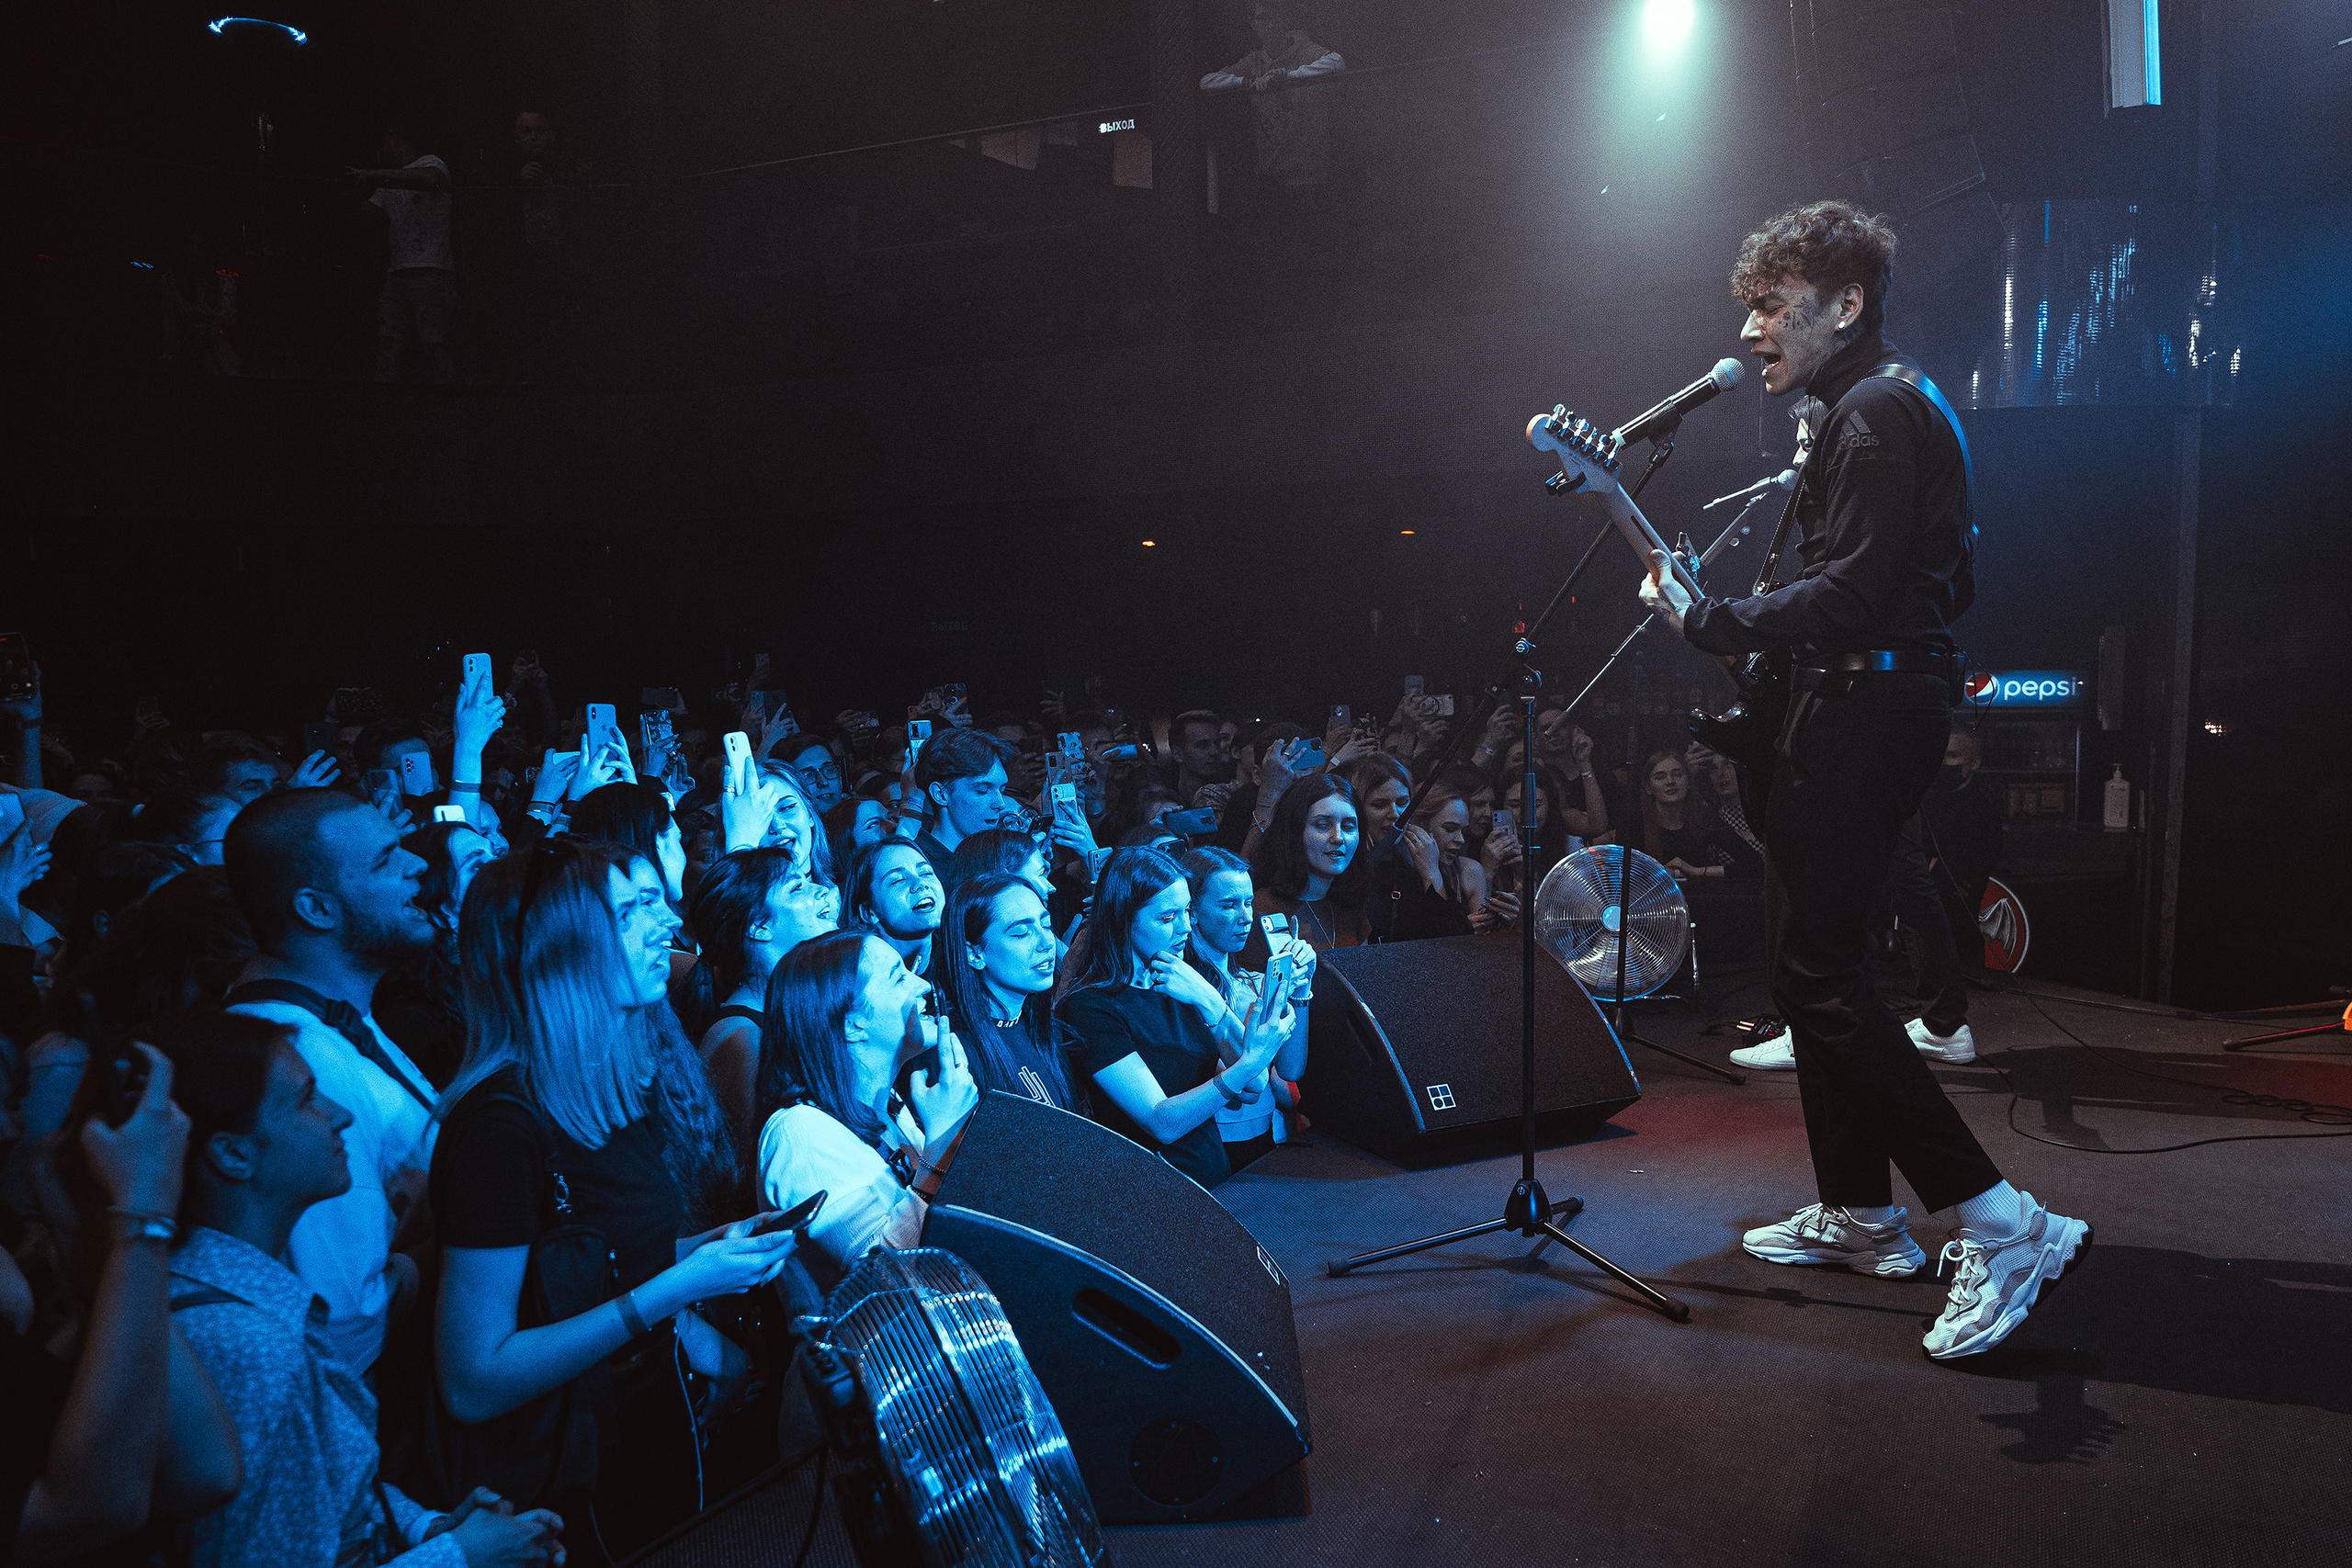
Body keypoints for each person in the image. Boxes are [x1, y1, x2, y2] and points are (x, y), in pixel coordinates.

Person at [1637, 198, 2086, 1360]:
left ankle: (1999, 1220)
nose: (1747, 333)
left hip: (1864, 703)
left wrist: (1713, 619)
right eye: (1745, 307)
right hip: (1853, 701)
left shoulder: (1877, 412)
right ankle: (1857, 1210)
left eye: (1769, 308)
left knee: (1822, 979)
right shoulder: (1866, 407)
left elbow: (1852, 594)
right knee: (1811, 967)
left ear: (1845, 305)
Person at [426, 840, 791, 1552]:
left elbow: (597, 1264)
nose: (662, 928)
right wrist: (680, 1289)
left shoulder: (616, 1089)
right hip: (566, 1490)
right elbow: (474, 1375)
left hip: (646, 1437)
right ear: (557, 949)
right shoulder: (501, 1128)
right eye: (628, 913)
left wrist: (707, 1248)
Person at [160, 1010, 563, 1568]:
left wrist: (427, 1525)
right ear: (232, 1154)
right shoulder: (241, 1347)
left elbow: (327, 1489)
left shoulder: (251, 1298)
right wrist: (459, 1554)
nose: (340, 1115)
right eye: (306, 1101)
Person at [220, 789, 442, 1374]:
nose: (416, 864)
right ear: (317, 909)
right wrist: (456, 1238)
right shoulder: (301, 1063)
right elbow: (345, 1321)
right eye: (384, 860)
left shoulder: (332, 1022)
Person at [3, 1041, 241, 1565]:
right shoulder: (233, 1326)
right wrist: (143, 1214)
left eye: (11, 1102)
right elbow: (91, 1510)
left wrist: (103, 1231)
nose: (7, 1132)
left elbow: (207, 1471)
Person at [1055, 849, 1299, 1190]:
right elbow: (1162, 1122)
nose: (1186, 926)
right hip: (1153, 1191)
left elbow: (1252, 1086)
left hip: (1213, 1180)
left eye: (1186, 911)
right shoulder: (1091, 1008)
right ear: (1124, 920)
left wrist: (1211, 1002)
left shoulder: (1180, 985)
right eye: (1168, 918)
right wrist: (1253, 1058)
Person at [753, 931, 980, 1281]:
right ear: (852, 1024)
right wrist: (943, 1143)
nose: (922, 985)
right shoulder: (799, 1132)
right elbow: (884, 1276)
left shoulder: (889, 1108)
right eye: (898, 977)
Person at [684, 847, 836, 1156]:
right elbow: (743, 1167)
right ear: (759, 926)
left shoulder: (787, 1011)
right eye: (797, 887)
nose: (822, 891)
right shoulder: (741, 1040)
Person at [1180, 848, 1311, 1169]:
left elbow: (1292, 1070)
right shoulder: (1182, 989)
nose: (1246, 917)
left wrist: (1300, 991)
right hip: (1211, 1145)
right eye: (1228, 905)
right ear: (1192, 911)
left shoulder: (1256, 981)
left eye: (1249, 902)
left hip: (1265, 1139)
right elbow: (1245, 1089)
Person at [935, 872, 1079, 1110]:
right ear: (975, 954)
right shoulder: (956, 1051)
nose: (1046, 943)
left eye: (1046, 925)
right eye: (1021, 933)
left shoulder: (1049, 1032)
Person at [370, 821, 494, 1091]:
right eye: (478, 866)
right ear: (441, 909)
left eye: (495, 855)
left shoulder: (504, 967)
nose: (502, 871)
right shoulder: (415, 1019)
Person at [350, 123, 457, 384]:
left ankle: (454, 397)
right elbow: (369, 215)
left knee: (434, 342)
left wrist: (375, 174)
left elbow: (433, 178)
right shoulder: (389, 181)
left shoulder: (432, 163)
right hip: (398, 269)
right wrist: (351, 194)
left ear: (394, 137)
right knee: (388, 338)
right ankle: (385, 399)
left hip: (431, 267)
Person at [1248, 773, 1368, 951]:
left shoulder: (1350, 908)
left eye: (1349, 827)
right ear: (1294, 832)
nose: (1338, 837)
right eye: (1322, 825)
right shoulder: (1260, 909)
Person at [908, 728, 1015, 883]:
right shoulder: (917, 867)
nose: (1000, 804)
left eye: (1002, 790)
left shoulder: (996, 859)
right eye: (982, 790)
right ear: (941, 794)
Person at [841, 838, 943, 976]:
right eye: (898, 880)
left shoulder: (961, 956)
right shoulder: (858, 981)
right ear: (868, 912)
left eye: (926, 872)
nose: (920, 882)